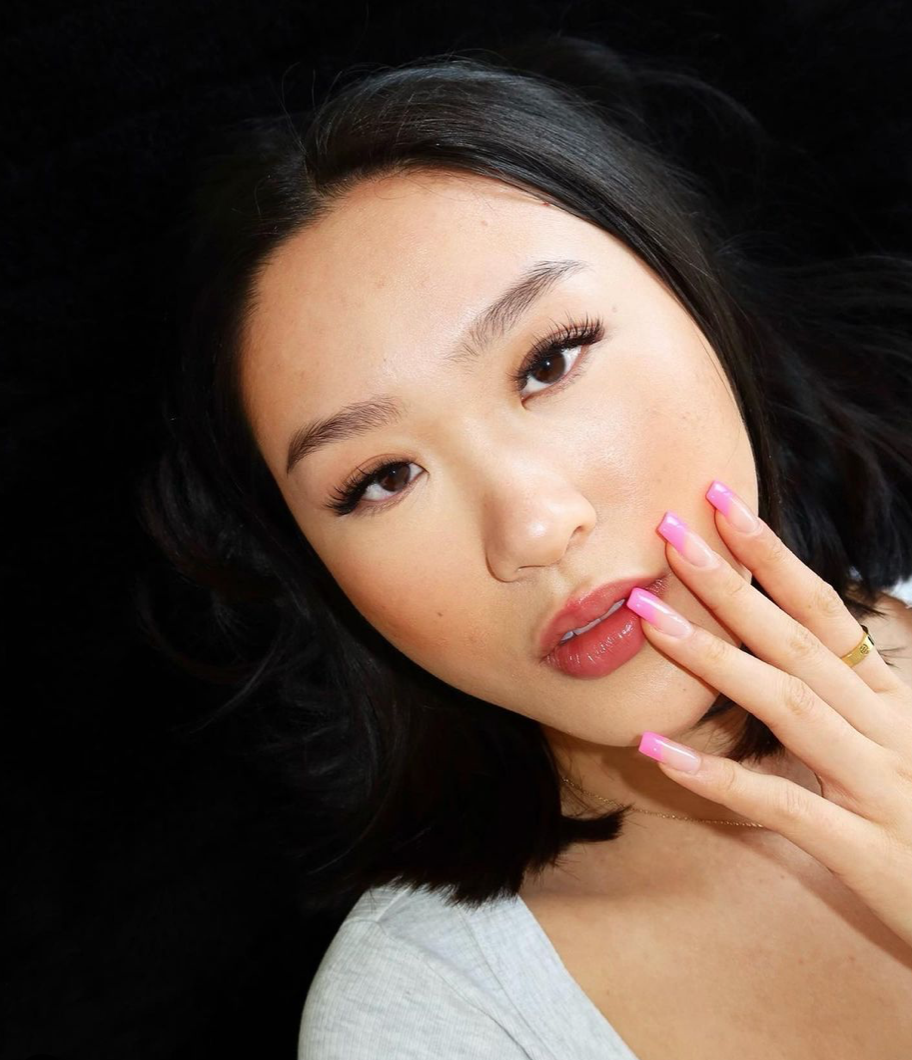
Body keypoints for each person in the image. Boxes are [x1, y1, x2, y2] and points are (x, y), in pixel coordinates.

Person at [137, 35, 912, 1059]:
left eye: (550, 361)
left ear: (697, 298)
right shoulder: (429, 1016)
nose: (534, 527)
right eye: (381, 479)